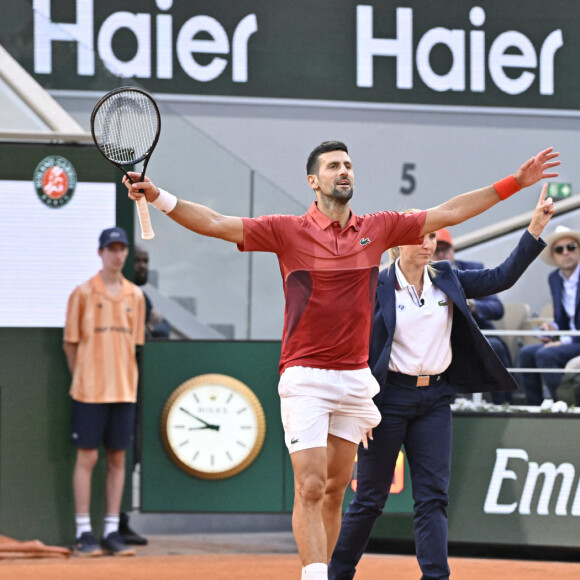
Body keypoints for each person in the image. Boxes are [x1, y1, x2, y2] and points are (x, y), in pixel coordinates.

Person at [124, 141, 558, 580]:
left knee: (335, 492)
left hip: (355, 379)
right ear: (314, 181)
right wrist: (159, 196)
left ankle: (329, 573)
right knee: (310, 486)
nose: (343, 170)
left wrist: (515, 184)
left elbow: (450, 212)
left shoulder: (381, 228)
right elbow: (216, 222)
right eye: (333, 166)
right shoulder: (286, 230)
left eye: (348, 164)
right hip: (305, 375)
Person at [328, 186, 555, 580]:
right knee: (369, 499)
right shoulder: (373, 285)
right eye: (419, 236)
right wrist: (357, 405)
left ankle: (436, 577)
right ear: (397, 243)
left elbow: (500, 278)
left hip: (435, 399)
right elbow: (349, 345)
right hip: (388, 402)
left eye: (432, 236)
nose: (428, 244)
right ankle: (337, 574)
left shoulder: (447, 277)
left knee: (433, 499)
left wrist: (534, 228)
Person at [63, 227, 145, 557]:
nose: (117, 254)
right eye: (111, 248)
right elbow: (70, 344)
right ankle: (84, 531)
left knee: (117, 457)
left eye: (121, 248)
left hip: (124, 391)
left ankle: (111, 530)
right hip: (88, 390)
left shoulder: (135, 297)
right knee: (88, 457)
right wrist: (84, 375)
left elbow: (135, 345)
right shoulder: (82, 293)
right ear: (100, 253)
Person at [117, 243, 170, 547]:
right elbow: (148, 332)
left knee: (133, 455)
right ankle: (115, 521)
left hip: (140, 389)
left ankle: (122, 520)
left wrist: (154, 329)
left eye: (145, 260)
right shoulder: (125, 296)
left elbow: (160, 332)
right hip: (119, 385)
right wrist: (153, 329)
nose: (141, 266)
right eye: (137, 260)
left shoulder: (141, 297)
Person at [434, 228, 513, 404]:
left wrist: (470, 305)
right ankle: (447, 405)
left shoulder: (471, 269)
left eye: (445, 249)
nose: (442, 255)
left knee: (495, 347)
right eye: (436, 251)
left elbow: (496, 308)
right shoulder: (423, 277)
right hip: (440, 338)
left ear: (453, 249)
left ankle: (504, 404)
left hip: (475, 334)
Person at [516, 225, 580, 405]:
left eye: (571, 247)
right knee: (525, 354)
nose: (566, 253)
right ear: (554, 256)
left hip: (576, 341)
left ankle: (564, 406)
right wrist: (554, 328)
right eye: (559, 249)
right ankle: (534, 407)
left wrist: (563, 341)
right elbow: (565, 319)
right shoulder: (555, 278)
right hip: (571, 339)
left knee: (546, 354)